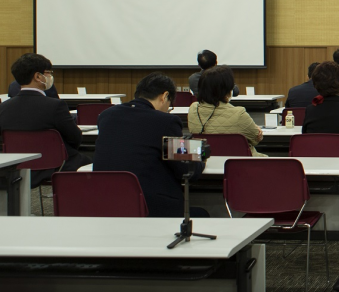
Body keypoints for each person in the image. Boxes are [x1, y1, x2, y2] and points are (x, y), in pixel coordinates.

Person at [93, 73, 206, 217]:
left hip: (107, 202)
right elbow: (185, 169)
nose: (168, 109)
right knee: (202, 215)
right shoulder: (165, 121)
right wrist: (201, 156)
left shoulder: (106, 115)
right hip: (151, 207)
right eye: (170, 105)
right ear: (164, 96)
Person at [0, 53, 90, 185]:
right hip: (55, 164)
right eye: (48, 73)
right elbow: (75, 137)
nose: (50, 77)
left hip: (15, 165)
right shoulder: (55, 105)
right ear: (37, 76)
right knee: (88, 160)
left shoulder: (3, 108)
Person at [187, 65, 265, 157]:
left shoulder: (193, 109)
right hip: (238, 163)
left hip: (204, 160)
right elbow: (256, 138)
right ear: (227, 89)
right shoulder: (239, 114)